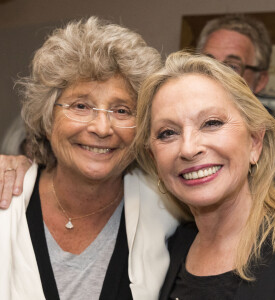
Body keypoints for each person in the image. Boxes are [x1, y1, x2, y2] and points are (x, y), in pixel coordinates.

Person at [0, 16, 181, 300]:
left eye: (122, 110)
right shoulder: (5, 202)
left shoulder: (171, 213)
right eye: (81, 105)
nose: (101, 128)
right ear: (47, 119)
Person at [134, 51, 275, 299]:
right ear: (153, 157)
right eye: (167, 133)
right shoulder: (173, 246)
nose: (189, 149)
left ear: (255, 142)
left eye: (211, 123)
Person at [197, 14, 275, 170]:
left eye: (232, 67)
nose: (215, 74)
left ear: (260, 81)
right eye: (208, 62)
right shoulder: (177, 134)